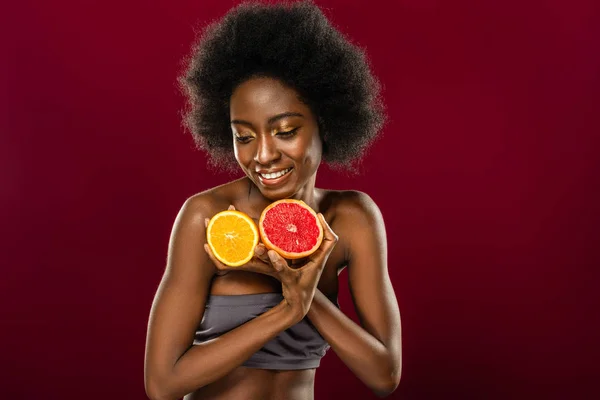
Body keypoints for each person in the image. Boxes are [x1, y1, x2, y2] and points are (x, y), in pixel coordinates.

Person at [144, 1, 402, 399]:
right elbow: (162, 384)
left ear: (326, 122)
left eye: (284, 131)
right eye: (244, 137)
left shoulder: (351, 218)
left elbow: (384, 374)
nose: (262, 155)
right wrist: (287, 310)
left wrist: (304, 295)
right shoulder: (209, 218)